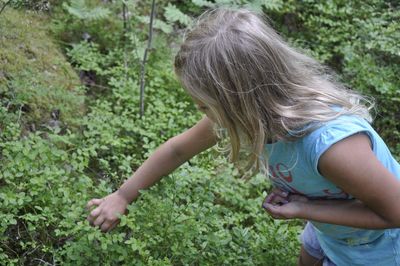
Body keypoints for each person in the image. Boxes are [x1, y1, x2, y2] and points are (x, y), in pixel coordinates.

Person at [86, 8, 400, 265]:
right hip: (329, 228)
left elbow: (395, 212)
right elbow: (177, 151)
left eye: (204, 104)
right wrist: (122, 195)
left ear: (239, 100)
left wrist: (303, 210)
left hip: (378, 248)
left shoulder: (332, 147)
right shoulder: (246, 115)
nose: (201, 111)